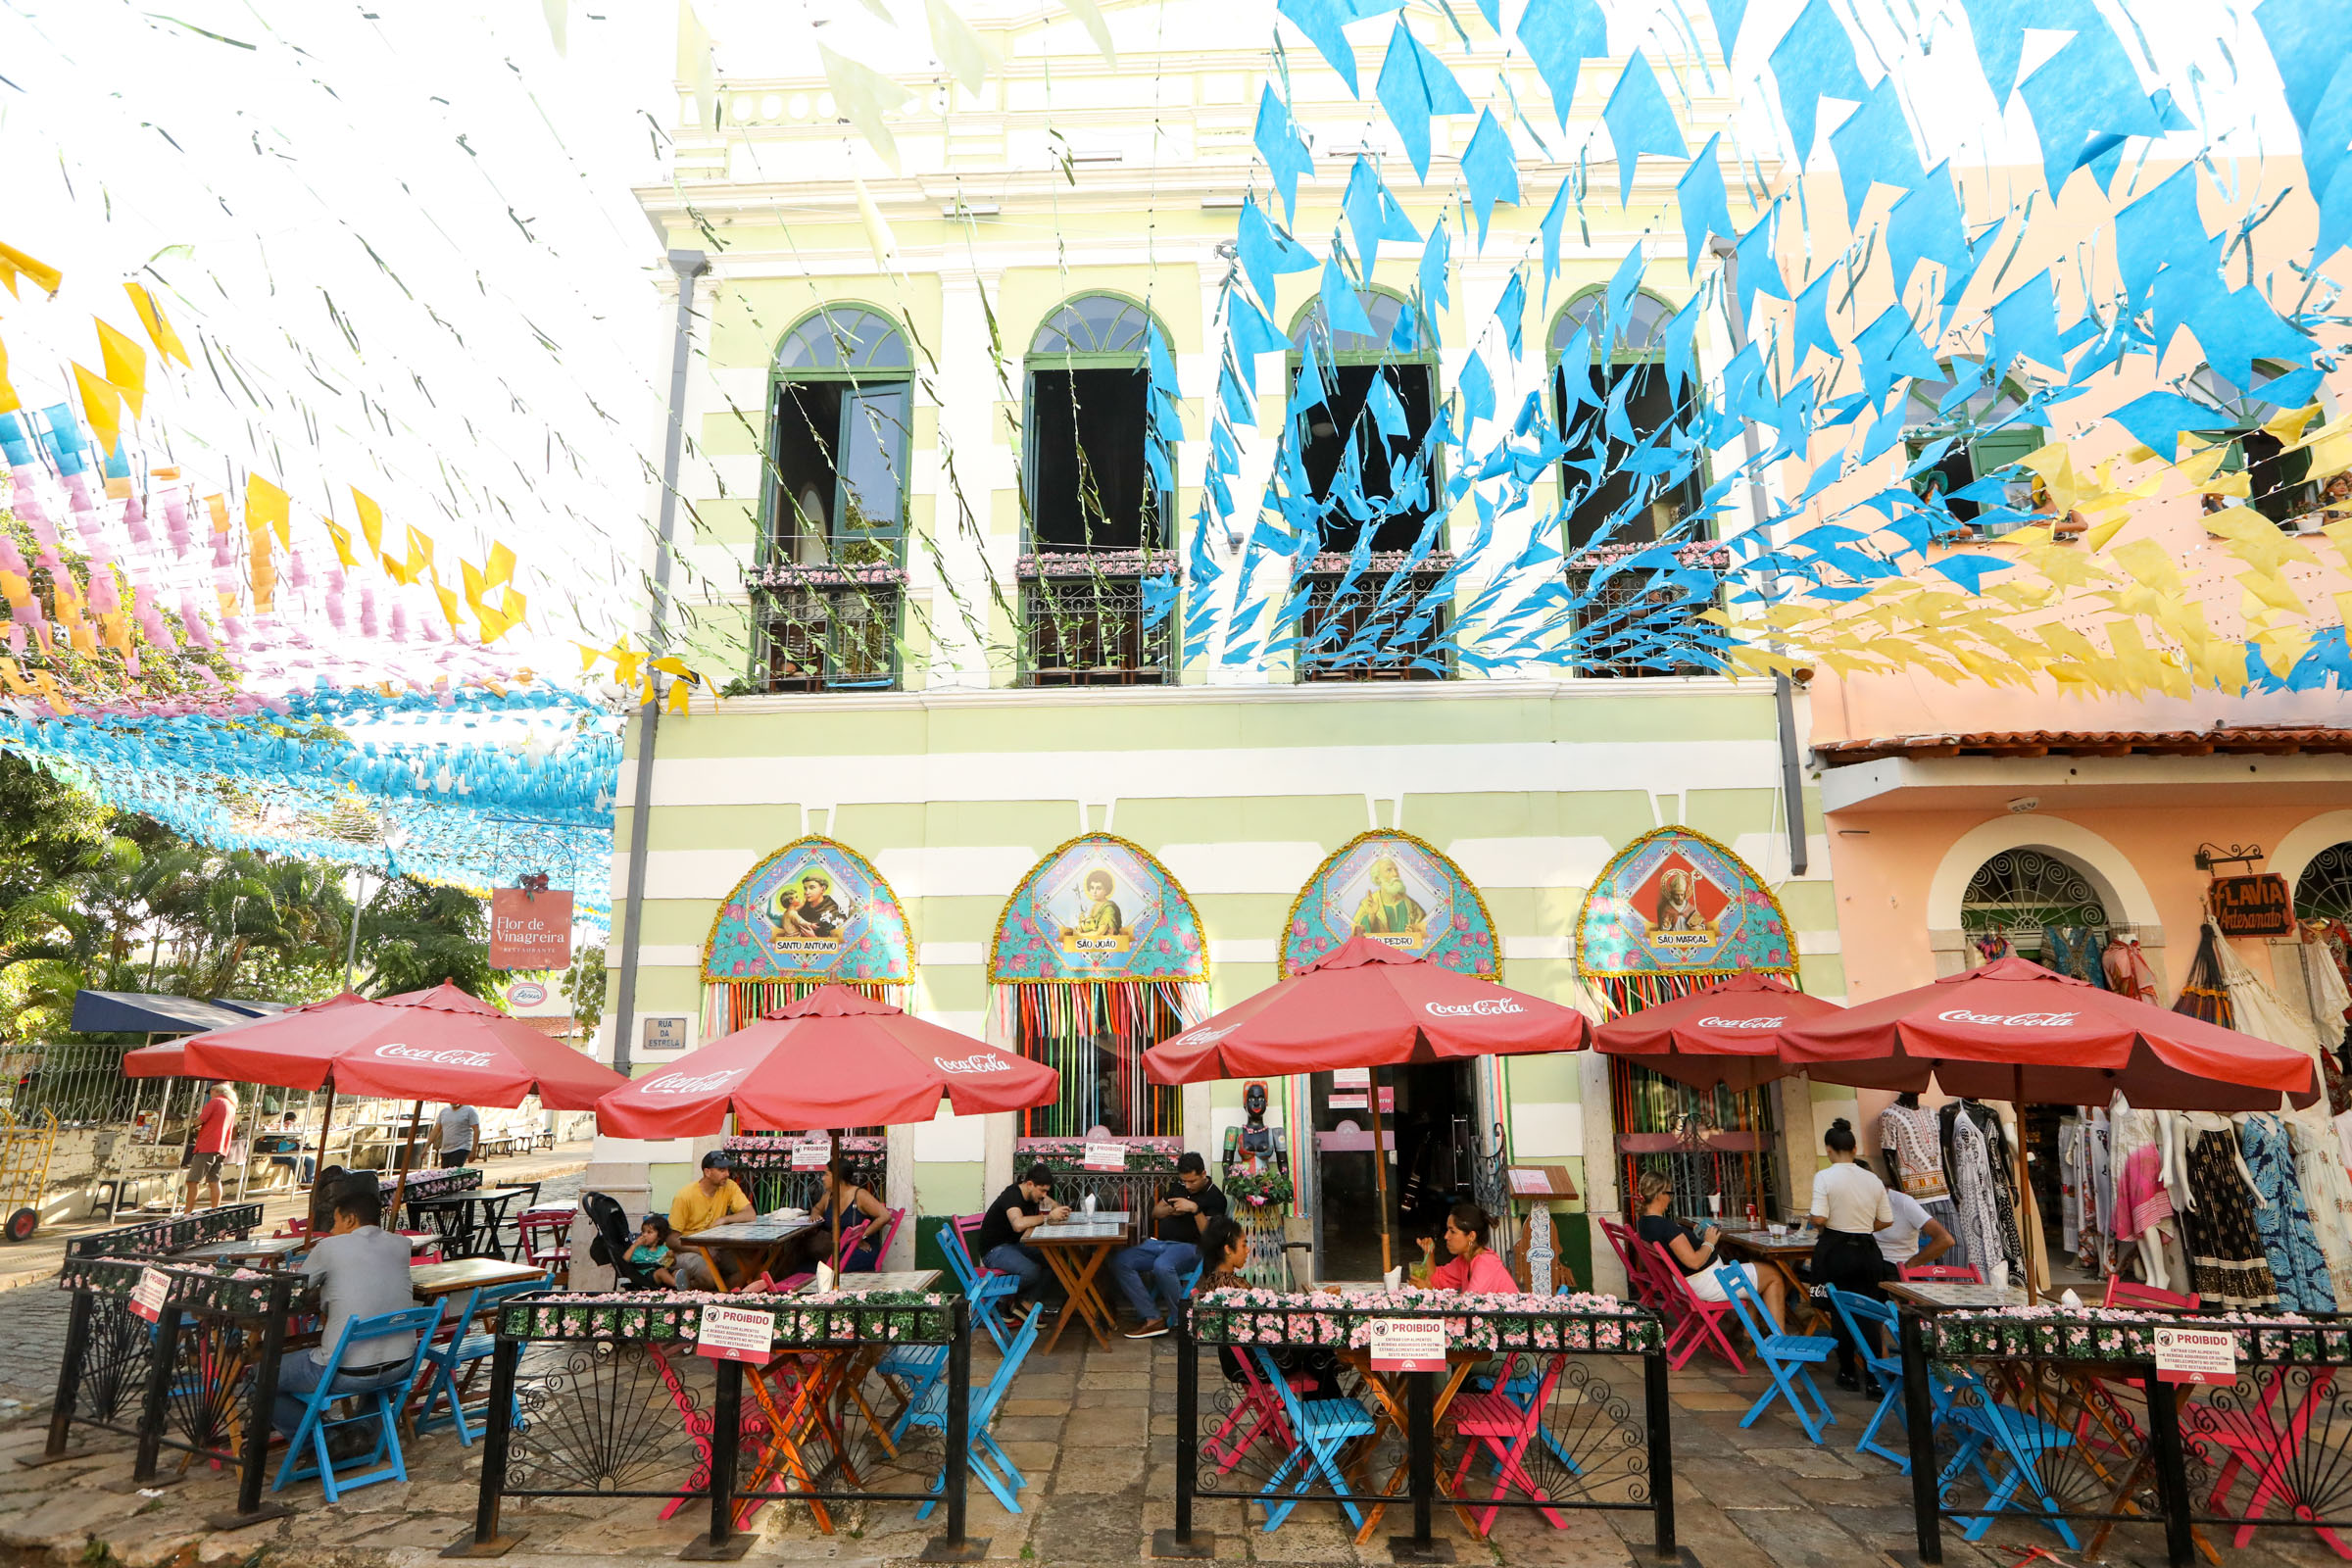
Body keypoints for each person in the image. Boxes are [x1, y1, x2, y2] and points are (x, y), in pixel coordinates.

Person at [273, 1187, 419, 1459]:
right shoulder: (401, 1245)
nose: (332, 1228)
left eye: (336, 1221)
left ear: (350, 1220)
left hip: (347, 1371)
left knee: (261, 1378)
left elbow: (293, 1289)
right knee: (376, 1366)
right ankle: (360, 1432)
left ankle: (324, 1441)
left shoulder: (329, 1247)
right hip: (401, 1366)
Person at [1808, 1117, 1894, 1396]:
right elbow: (1886, 1220)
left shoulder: (1825, 1176)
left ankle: (1846, 1371)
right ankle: (1873, 1376)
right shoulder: (1872, 1179)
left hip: (1836, 1248)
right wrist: (1864, 1226)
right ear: (1855, 1148)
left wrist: (1813, 1218)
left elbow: (1820, 1216)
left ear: (1829, 1149)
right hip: (1868, 1250)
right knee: (1867, 1312)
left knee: (1840, 1311)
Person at [1634, 1170, 1788, 1322]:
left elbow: (1678, 1249)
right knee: (1773, 1275)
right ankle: (1780, 1341)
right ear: (1660, 1195)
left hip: (1687, 1283)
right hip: (1708, 1282)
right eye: (1669, 1193)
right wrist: (1709, 1241)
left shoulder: (1645, 1223)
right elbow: (1694, 1262)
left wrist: (1693, 1237)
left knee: (1757, 1273)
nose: (1670, 1198)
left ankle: (1749, 1335)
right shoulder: (1666, 1227)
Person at [1114, 1152, 1229, 1338]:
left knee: (1163, 1266)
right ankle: (1153, 1318)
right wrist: (1170, 1210)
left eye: (1192, 1181)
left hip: (1191, 1248)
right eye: (1184, 1181)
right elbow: (1155, 1212)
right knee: (1121, 1260)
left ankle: (1182, 1320)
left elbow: (1210, 1237)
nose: (1188, 1186)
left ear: (1203, 1174)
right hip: (1160, 1245)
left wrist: (1195, 1210)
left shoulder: (1215, 1198)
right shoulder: (1178, 1187)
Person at [976, 1163, 1067, 1324]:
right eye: (1043, 1190)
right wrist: (1048, 1218)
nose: (1044, 1195)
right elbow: (1017, 1224)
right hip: (994, 1250)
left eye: (1047, 1191)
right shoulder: (1012, 1196)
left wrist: (1059, 1209)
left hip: (1013, 1246)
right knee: (1031, 1271)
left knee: (1053, 1260)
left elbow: (1053, 1205)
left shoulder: (1033, 1194)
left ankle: (1026, 1303)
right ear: (1030, 1184)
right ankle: (1000, 1301)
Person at [670, 1151, 757, 1291]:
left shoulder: (729, 1186)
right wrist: (701, 1249)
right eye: (722, 1170)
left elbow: (750, 1214)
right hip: (688, 1249)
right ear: (707, 1172)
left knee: (748, 1269)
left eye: (728, 1169)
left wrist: (724, 1219)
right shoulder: (684, 1196)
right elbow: (671, 1240)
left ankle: (720, 1298)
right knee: (709, 1276)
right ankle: (688, 1290)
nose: (727, 1174)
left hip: (716, 1245)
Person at [1417, 1201, 1519, 1294]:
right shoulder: (1464, 1260)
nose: (1446, 1236)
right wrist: (1428, 1252)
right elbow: (1437, 1281)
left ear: (1471, 1236)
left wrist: (1429, 1291)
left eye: (1452, 1231)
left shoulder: (1485, 1263)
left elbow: (1469, 1306)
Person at [1875, 1189, 1958, 1275]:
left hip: (1897, 1270)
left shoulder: (1902, 1202)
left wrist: (1908, 1267)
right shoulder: (1862, 1202)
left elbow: (1945, 1240)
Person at [183, 1083, 236, 1215]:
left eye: (210, 1093)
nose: (209, 1095)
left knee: (192, 1181)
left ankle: (187, 1213)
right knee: (214, 1181)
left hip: (207, 1145)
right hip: (221, 1146)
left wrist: (190, 1125)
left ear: (216, 1091)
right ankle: (215, 1211)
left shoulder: (216, 1102)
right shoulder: (231, 1105)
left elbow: (200, 1120)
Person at [631, 1215, 678, 1288]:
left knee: (676, 1272)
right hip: (646, 1277)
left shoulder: (663, 1249)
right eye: (643, 1232)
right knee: (661, 1272)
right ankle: (679, 1287)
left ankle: (686, 1288)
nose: (644, 1235)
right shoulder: (639, 1249)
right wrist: (635, 1245)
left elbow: (671, 1264)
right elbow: (628, 1262)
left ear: (659, 1236)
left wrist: (672, 1257)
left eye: (649, 1232)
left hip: (662, 1274)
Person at [432, 1102, 480, 1169]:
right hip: (446, 1149)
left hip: (462, 1147)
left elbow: (476, 1130)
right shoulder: (444, 1111)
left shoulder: (470, 1110)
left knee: (453, 1172)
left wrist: (474, 1150)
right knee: (445, 1175)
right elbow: (436, 1129)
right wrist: (426, 1147)